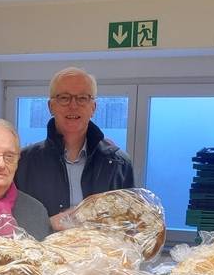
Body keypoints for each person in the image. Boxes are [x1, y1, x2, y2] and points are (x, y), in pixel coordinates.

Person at [13, 67, 134, 222]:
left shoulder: (119, 164)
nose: (73, 105)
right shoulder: (24, 162)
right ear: (51, 106)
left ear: (93, 108)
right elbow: (14, 222)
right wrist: (48, 225)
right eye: (64, 98)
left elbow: (129, 225)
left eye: (82, 98)